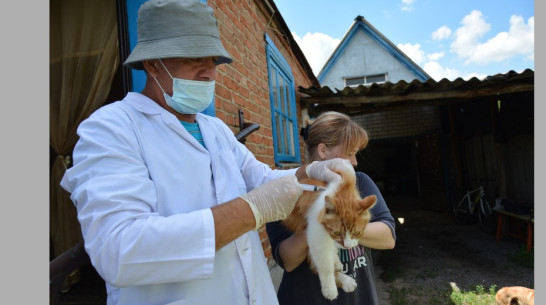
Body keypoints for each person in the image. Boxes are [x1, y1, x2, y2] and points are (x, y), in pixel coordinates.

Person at [59, 1, 354, 305]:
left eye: (213, 60)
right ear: (151, 63)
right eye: (194, 57)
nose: (209, 72)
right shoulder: (110, 129)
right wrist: (252, 210)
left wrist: (311, 171)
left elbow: (262, 179)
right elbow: (119, 250)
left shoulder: (215, 129)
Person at [266, 111, 397, 305]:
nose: (354, 161)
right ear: (323, 151)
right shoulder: (287, 191)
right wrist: (318, 222)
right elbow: (288, 261)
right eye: (350, 152)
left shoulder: (360, 181)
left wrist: (347, 224)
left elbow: (388, 238)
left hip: (358, 299)